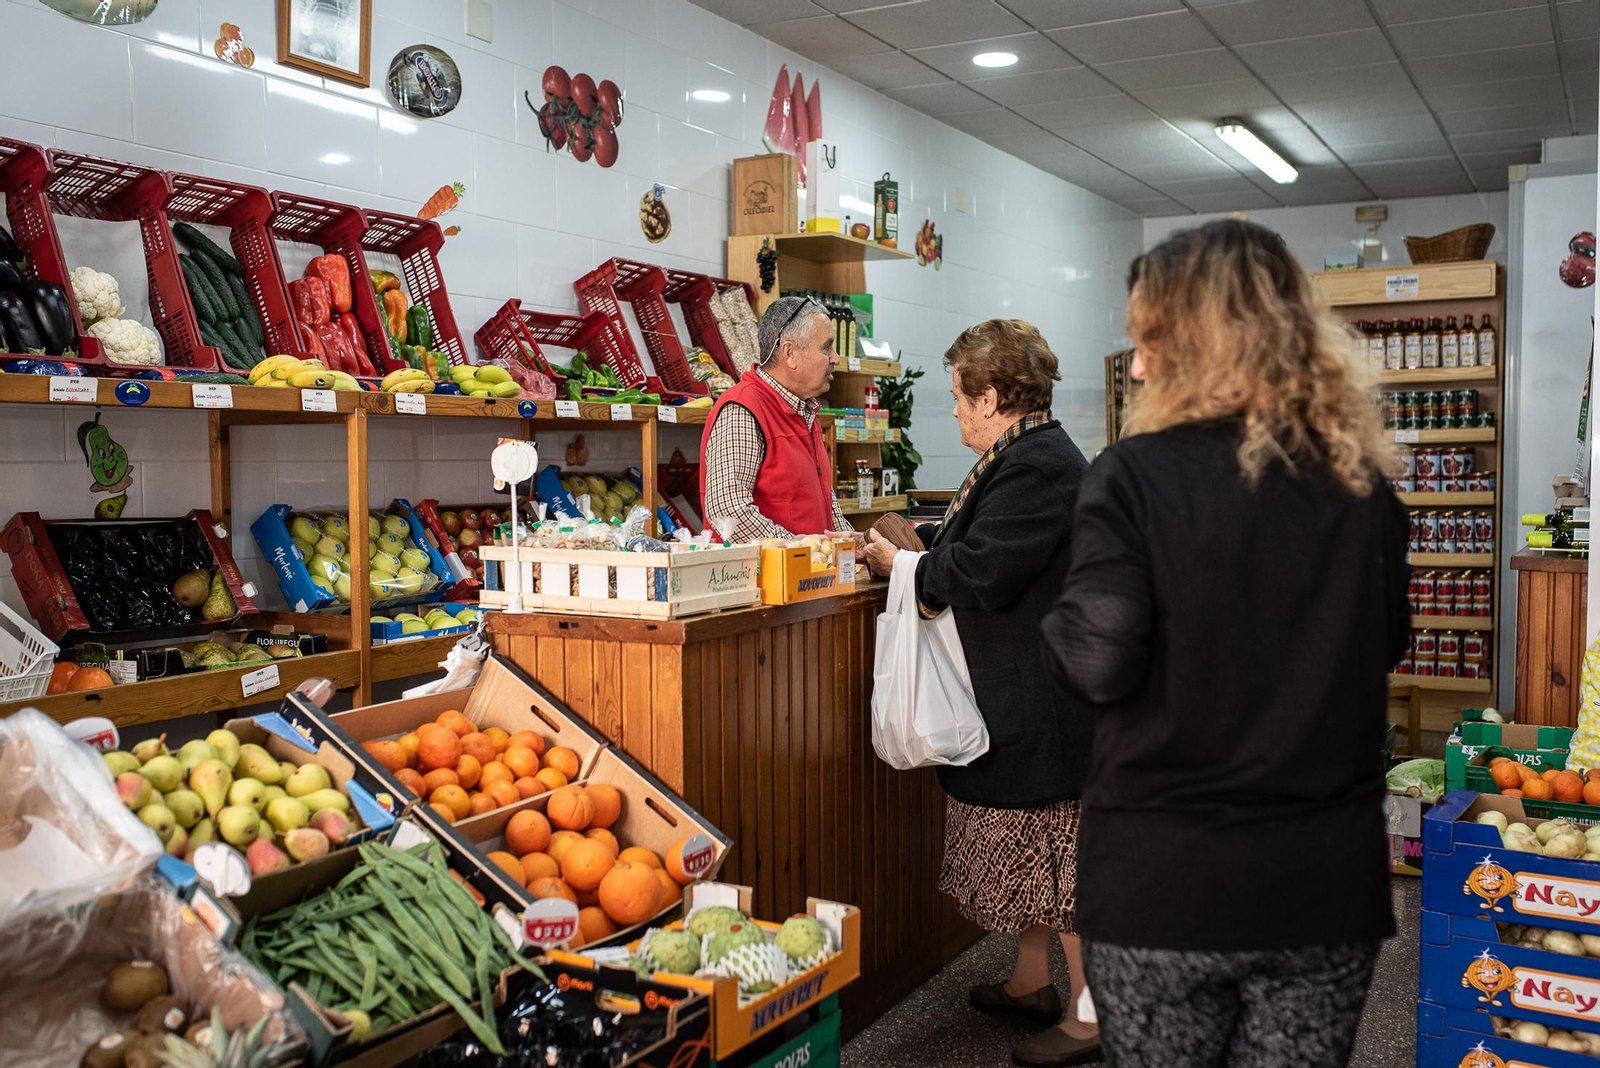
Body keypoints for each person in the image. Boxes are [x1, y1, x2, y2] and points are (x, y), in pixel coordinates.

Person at [1042, 219, 1407, 1068]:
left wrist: (1055, 616)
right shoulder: (1362, 486)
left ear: (1193, 344)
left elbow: (1096, 660)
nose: (1135, 366)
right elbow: (1384, 646)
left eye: (1147, 340)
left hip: (1165, 882)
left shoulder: (1133, 476)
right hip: (1322, 883)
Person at [860, 319, 1097, 1067]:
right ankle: (1032, 985)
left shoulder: (1039, 466)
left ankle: (1093, 1017)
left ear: (993, 396)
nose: (956, 412)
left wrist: (905, 570)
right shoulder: (1025, 454)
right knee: (1035, 852)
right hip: (1029, 690)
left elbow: (985, 568)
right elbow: (978, 533)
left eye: (961, 398)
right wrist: (926, 544)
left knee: (1064, 865)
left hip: (1047, 701)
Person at [699, 294, 850, 540]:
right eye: (826, 347)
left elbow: (825, 508)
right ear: (789, 353)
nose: (835, 358)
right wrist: (796, 549)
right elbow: (726, 509)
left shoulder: (804, 412)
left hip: (805, 575)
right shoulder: (743, 410)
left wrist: (853, 544)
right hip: (758, 577)